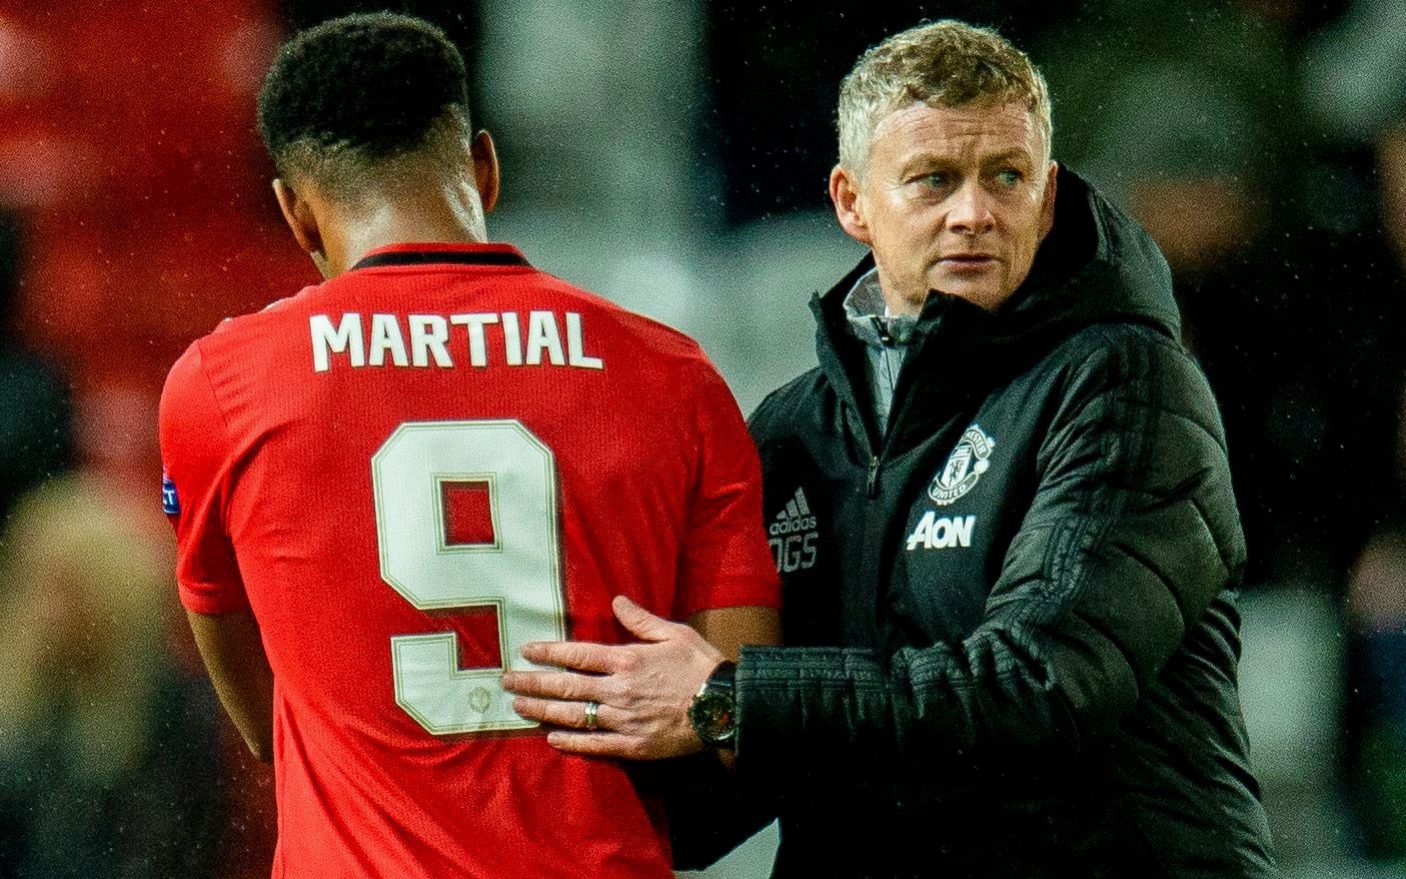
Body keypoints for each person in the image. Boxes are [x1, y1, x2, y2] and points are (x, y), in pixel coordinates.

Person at [503, 20, 1277, 878]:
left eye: (1007, 176)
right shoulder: (796, 431)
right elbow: (734, 780)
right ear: (851, 202)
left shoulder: (1125, 384)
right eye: (934, 179)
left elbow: (1040, 687)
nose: (974, 212)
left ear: (1048, 194)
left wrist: (727, 700)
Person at [158, 13, 779, 879]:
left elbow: (266, 722)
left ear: (295, 212)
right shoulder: (674, 377)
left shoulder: (220, 385)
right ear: (485, 167)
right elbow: (742, 718)